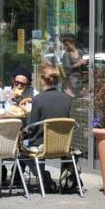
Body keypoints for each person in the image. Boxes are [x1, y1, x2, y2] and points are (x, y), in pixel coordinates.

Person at [22, 64, 72, 192]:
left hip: (42, 145)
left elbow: (31, 127)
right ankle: (55, 178)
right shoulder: (67, 98)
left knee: (18, 150)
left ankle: (43, 176)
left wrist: (27, 112)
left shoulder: (38, 99)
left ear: (43, 79)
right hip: (63, 145)